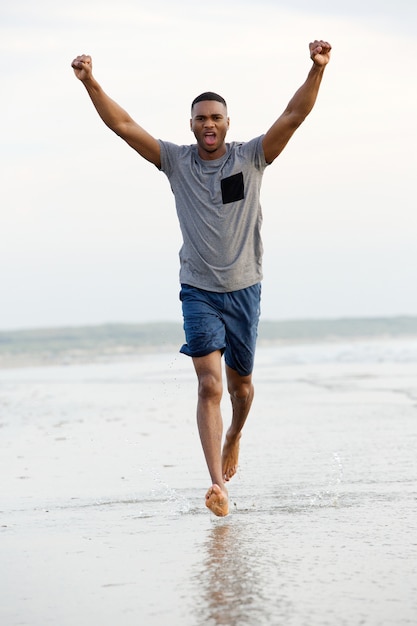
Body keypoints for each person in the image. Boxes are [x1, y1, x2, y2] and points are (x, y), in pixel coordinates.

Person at [71, 40, 332, 517]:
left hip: (245, 287)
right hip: (198, 290)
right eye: (200, 118)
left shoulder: (251, 158)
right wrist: (91, 82)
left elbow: (294, 115)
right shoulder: (175, 162)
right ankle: (217, 487)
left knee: (241, 390)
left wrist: (316, 70)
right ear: (190, 125)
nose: (208, 125)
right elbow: (122, 125)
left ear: (227, 124)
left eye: (216, 117)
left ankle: (234, 433)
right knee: (209, 386)